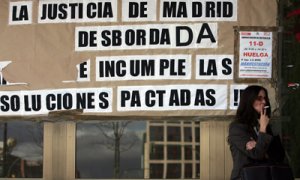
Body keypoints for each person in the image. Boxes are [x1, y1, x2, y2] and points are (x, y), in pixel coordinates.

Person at [227, 85, 285, 180]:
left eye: (265, 98)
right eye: (259, 98)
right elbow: (257, 154)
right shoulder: (237, 127)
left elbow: (279, 155)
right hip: (246, 176)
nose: (264, 102)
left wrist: (262, 137)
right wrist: (262, 130)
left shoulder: (265, 124)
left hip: (267, 175)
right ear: (249, 101)